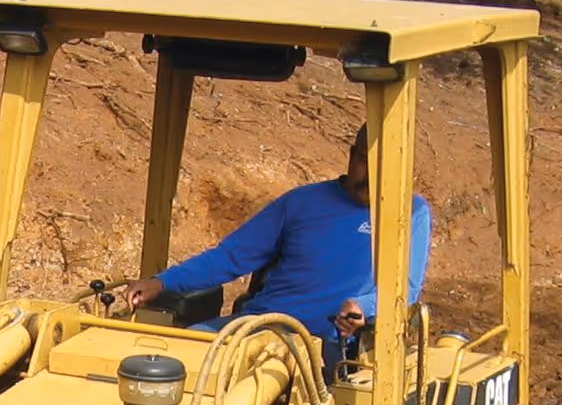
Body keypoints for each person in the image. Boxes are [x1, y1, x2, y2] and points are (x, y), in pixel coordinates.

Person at [118, 126, 432, 369]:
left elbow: (405, 288)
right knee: (179, 355)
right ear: (351, 156)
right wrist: (162, 282)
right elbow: (230, 256)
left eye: (385, 164)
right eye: (365, 160)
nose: (372, 175)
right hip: (260, 324)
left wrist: (364, 306)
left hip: (326, 345)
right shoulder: (302, 203)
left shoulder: (411, 213)